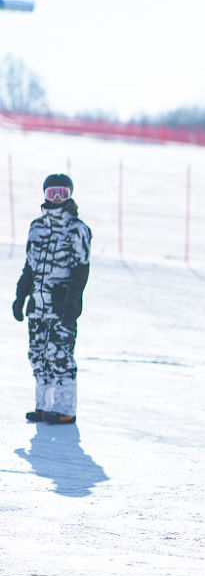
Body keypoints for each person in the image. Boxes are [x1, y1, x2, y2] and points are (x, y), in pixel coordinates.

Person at [12, 173, 92, 424]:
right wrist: (20, 296)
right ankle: (44, 406)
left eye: (62, 194)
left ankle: (65, 409)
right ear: (44, 195)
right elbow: (30, 266)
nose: (56, 199)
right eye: (51, 193)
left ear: (70, 195)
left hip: (61, 305)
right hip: (38, 305)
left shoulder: (77, 229)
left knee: (60, 356)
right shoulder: (36, 227)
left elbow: (81, 270)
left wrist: (71, 304)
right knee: (38, 355)